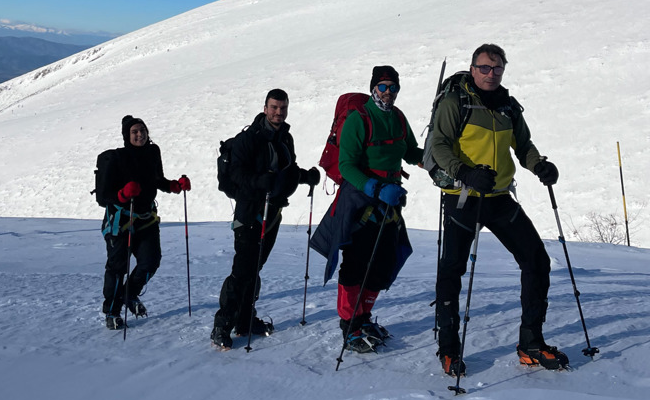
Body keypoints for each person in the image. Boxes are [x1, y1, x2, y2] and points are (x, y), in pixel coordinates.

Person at [430, 43, 566, 374]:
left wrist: (539, 165)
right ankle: (448, 349)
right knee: (452, 270)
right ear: (473, 68)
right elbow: (438, 145)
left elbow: (523, 145)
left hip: (499, 196)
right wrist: (465, 173)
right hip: (463, 196)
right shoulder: (454, 103)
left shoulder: (507, 106)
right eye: (485, 68)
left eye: (497, 69)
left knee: (536, 260)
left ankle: (531, 342)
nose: (491, 74)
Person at [311, 66, 424, 353]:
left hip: (390, 200)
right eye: (383, 87)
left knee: (382, 261)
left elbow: (409, 151)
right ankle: (349, 325)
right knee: (357, 261)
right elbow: (347, 165)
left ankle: (363, 318)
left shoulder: (398, 118)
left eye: (393, 87)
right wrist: (374, 188)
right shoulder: (359, 119)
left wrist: (430, 158)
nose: (388, 93)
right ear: (373, 88)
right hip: (361, 198)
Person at [211, 89, 320, 350]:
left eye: (282, 108)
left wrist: (307, 177)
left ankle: (246, 321)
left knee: (254, 269)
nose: (278, 112)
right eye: (274, 107)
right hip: (250, 213)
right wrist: (260, 181)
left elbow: (287, 172)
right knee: (243, 271)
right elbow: (236, 174)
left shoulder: (285, 138)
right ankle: (222, 325)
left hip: (272, 214)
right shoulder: (248, 139)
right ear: (264, 108)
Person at [97, 115, 191, 329]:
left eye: (142, 130)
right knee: (117, 268)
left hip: (146, 219)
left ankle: (129, 294)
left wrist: (175, 186)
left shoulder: (152, 152)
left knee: (151, 261)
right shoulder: (117, 158)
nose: (139, 134)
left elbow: (157, 179)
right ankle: (112, 311)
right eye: (134, 131)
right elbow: (103, 197)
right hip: (121, 221)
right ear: (126, 136)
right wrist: (122, 194)